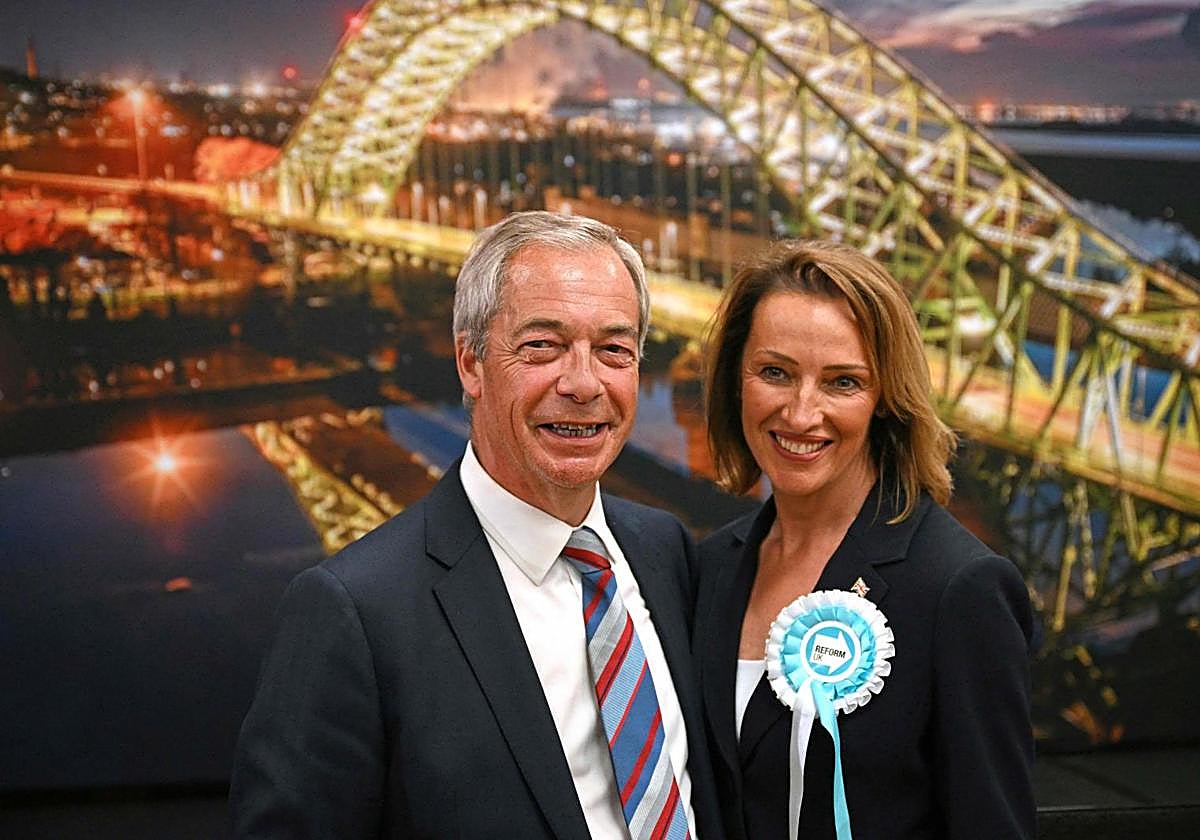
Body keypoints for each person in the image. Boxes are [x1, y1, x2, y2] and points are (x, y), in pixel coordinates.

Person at [230, 211, 723, 839]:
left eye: (614, 350)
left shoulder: (665, 549)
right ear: (471, 363)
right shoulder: (354, 611)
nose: (583, 383)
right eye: (542, 346)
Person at [694, 241, 1035, 840]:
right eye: (775, 372)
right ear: (735, 379)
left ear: (886, 401)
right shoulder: (711, 565)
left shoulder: (960, 588)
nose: (802, 413)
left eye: (842, 382)